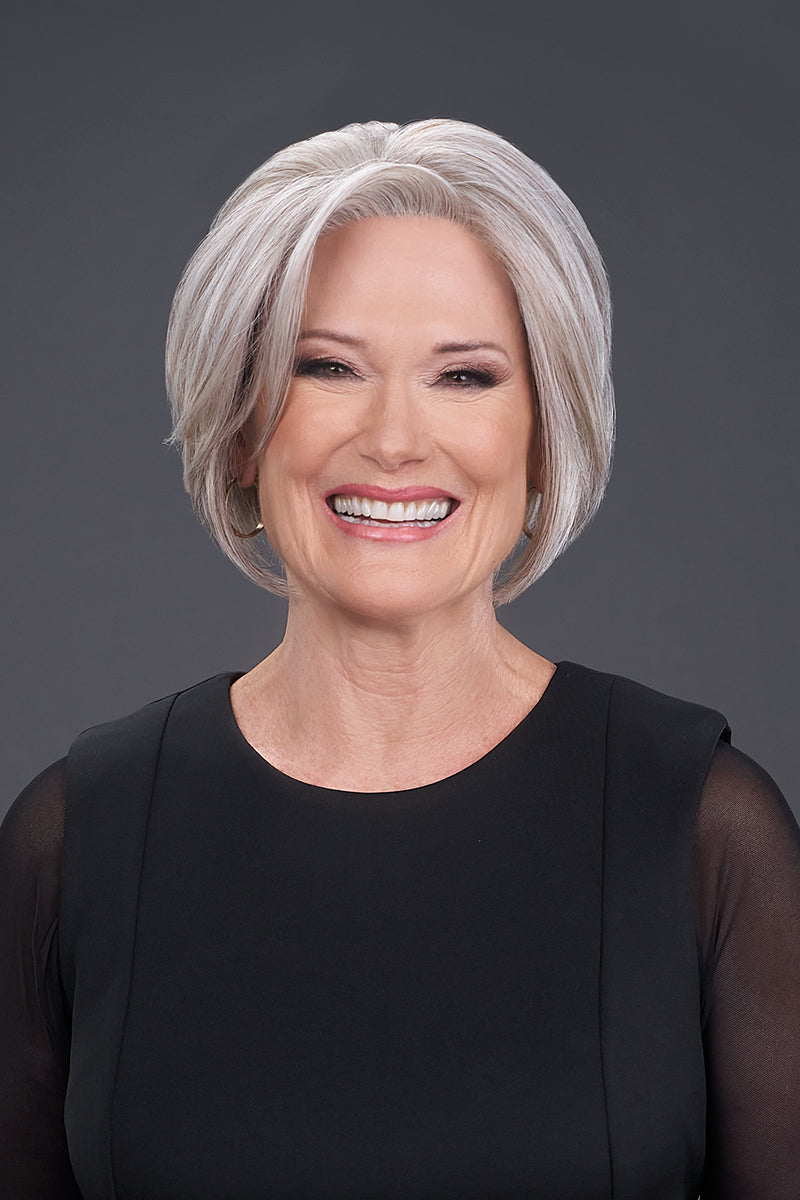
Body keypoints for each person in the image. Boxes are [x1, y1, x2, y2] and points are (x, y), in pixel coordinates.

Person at [1, 118, 798, 1199]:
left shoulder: (704, 831)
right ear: (240, 427)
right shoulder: (75, 839)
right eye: (327, 367)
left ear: (544, 434)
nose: (392, 440)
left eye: (463, 377)